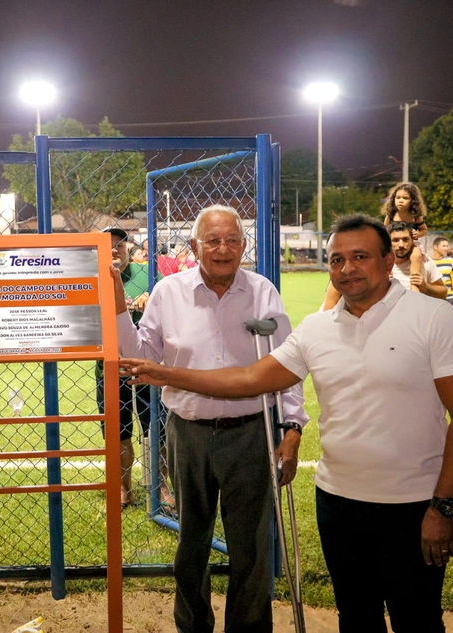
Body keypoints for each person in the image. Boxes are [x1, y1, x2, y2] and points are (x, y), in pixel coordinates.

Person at [122, 213, 453, 633]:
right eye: (336, 260)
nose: (347, 268)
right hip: (338, 499)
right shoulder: (318, 329)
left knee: (416, 617)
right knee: (356, 614)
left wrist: (443, 505)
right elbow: (248, 379)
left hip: (412, 503)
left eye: (360, 257)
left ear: (389, 262)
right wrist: (165, 371)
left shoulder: (434, 318)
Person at [114, 204, 308, 633]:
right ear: (194, 247)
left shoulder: (262, 292)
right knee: (191, 544)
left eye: (232, 240)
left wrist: (292, 429)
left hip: (250, 434)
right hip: (187, 433)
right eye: (213, 241)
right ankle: (193, 625)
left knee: (252, 548)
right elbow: (142, 359)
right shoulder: (169, 292)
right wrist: (114, 303)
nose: (223, 249)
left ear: (244, 245)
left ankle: (250, 628)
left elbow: (286, 365)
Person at [96, 227, 172, 512]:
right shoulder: (94, 278)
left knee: (156, 428)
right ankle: (124, 488)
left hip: (147, 364)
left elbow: (170, 303)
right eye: (108, 245)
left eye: (120, 244)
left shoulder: (148, 274)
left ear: (128, 248)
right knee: (118, 432)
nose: (115, 249)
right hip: (110, 367)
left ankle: (160, 486)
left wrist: (151, 301)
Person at [383, 182, 430, 289]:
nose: (401, 201)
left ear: (412, 201)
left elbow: (424, 230)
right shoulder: (391, 214)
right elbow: (385, 229)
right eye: (398, 197)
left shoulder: (415, 215)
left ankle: (414, 282)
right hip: (394, 244)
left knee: (416, 254)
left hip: (411, 244)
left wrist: (417, 234)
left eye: (405, 198)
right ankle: (388, 276)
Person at [389, 222, 447, 299]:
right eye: (395, 240)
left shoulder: (425, 261)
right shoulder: (380, 267)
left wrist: (426, 286)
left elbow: (443, 293)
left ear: (412, 241)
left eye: (405, 239)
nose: (401, 245)